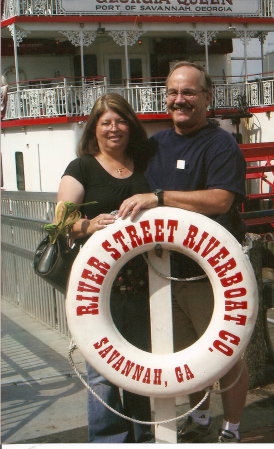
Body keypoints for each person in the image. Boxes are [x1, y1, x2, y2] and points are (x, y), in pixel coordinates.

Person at [118, 61, 247, 443]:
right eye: (173, 92)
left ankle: (232, 429)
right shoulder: (156, 144)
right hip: (163, 269)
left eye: (189, 92)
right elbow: (117, 168)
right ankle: (202, 418)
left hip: (211, 274)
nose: (180, 99)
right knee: (190, 354)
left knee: (225, 354)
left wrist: (159, 197)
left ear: (207, 97)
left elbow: (221, 200)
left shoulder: (221, 143)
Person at [57, 93, 153, 443]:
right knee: (103, 372)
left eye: (120, 121)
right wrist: (88, 225)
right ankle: (108, 439)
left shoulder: (143, 163)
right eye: (106, 123)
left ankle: (142, 435)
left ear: (130, 125)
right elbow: (61, 222)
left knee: (140, 365)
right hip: (98, 288)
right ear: (94, 129)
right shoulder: (81, 167)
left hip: (145, 283)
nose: (114, 128)